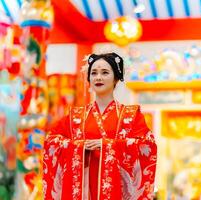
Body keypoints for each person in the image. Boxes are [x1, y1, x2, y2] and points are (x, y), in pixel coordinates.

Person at [42, 52, 157, 200]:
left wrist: (108, 145)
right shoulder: (75, 116)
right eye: (94, 73)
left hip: (117, 192)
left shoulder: (130, 115)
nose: (98, 77)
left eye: (105, 72)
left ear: (116, 77)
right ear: (89, 78)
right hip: (82, 192)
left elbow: (147, 144)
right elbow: (51, 141)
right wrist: (78, 146)